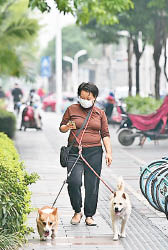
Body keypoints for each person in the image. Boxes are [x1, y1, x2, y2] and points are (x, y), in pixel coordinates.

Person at [59, 82, 113, 226]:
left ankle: (89, 215)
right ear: (79, 96)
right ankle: (77, 211)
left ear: (94, 98)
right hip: (75, 151)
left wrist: (109, 152)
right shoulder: (71, 109)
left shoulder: (100, 113)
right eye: (82, 97)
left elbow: (105, 134)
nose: (85, 100)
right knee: (73, 181)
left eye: (88, 98)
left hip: (94, 152)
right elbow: (62, 128)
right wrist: (68, 126)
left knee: (92, 185)